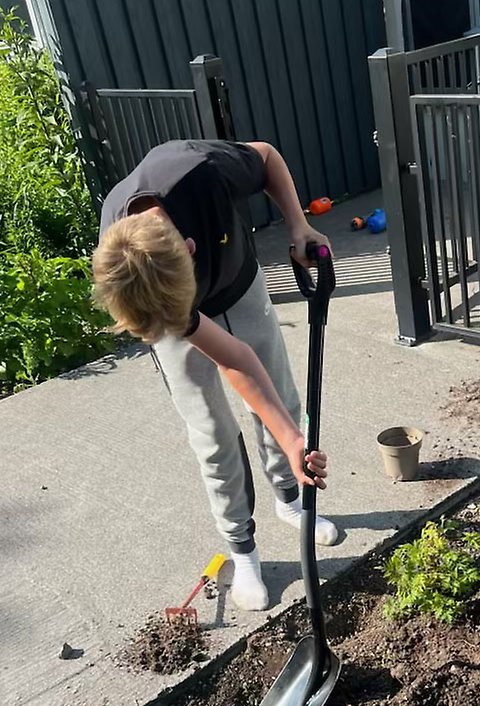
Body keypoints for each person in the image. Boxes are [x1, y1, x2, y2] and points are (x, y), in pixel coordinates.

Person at [92, 139, 340, 612]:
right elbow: (228, 358)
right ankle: (242, 549)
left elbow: (267, 155)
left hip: (236, 283)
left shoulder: (202, 170)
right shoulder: (129, 270)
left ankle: (290, 501)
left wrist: (298, 224)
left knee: (281, 400)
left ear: (190, 246)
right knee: (212, 434)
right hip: (174, 306)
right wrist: (180, 322)